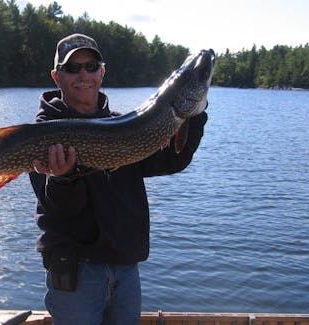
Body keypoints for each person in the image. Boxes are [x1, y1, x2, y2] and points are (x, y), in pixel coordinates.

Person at [29, 33, 208, 325]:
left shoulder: (127, 127)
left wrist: (194, 116)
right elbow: (61, 211)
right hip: (77, 275)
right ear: (56, 77)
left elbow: (173, 158)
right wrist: (62, 179)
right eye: (72, 68)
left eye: (90, 66)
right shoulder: (47, 134)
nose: (83, 75)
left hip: (126, 270)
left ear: (102, 72)